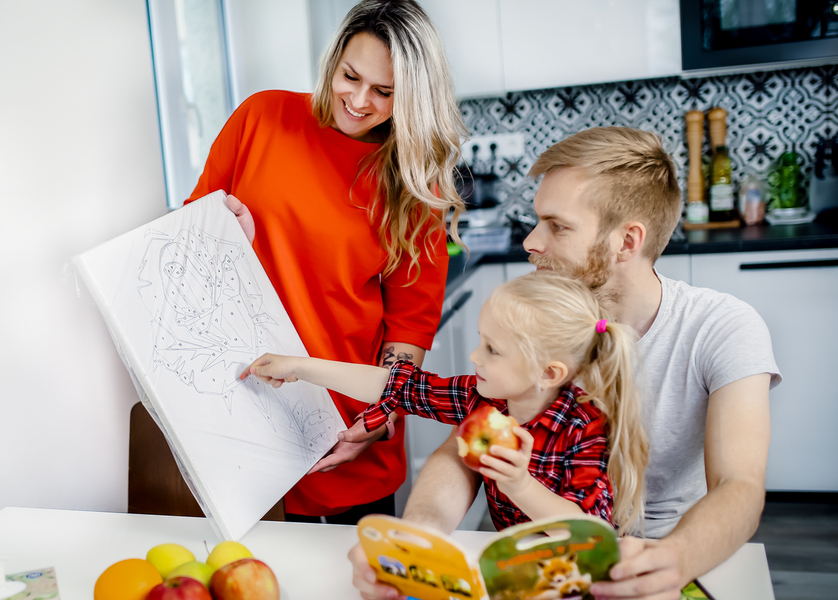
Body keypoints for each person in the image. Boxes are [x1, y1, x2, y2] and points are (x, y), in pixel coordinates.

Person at [348, 127, 780, 600]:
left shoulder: (721, 327)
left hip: (664, 556)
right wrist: (417, 540)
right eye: (538, 221)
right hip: (533, 562)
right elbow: (465, 448)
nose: (531, 242)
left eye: (557, 226)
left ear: (627, 241)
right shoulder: (537, 317)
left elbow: (738, 486)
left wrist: (676, 558)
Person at [185, 0, 468, 524]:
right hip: (240, 413)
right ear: (333, 60)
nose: (358, 101)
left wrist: (377, 419)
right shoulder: (262, 118)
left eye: (384, 92)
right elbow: (190, 243)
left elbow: (408, 329)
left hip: (345, 427)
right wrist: (225, 235)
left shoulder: (413, 184)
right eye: (350, 76)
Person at [241, 271, 649, 534]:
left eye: (492, 349)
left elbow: (590, 533)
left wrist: (519, 485)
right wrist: (301, 366)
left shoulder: (585, 426)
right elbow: (394, 385)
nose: (475, 356)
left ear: (549, 373)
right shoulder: (484, 400)